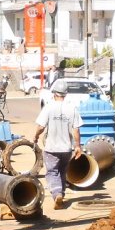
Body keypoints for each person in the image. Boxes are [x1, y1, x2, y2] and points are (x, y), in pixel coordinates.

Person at [33, 79, 83, 210]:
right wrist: (78, 146)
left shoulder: (48, 107)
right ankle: (61, 195)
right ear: (65, 94)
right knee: (62, 171)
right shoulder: (72, 108)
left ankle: (57, 194)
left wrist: (36, 136)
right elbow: (76, 129)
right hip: (66, 149)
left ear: (54, 93)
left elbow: (41, 127)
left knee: (52, 172)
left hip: (51, 148)